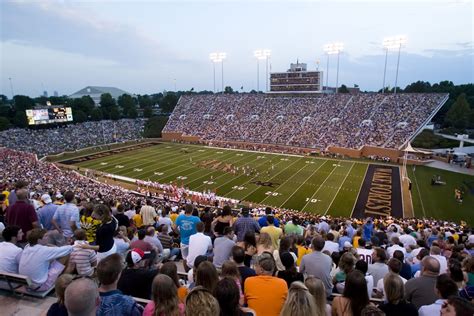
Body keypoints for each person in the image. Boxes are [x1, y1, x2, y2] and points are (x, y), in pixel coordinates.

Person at [244, 252, 288, 316]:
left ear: (261, 269)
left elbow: (245, 302)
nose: (254, 267)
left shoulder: (249, 281)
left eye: (256, 266)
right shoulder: (282, 283)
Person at [174, 204, 201, 270]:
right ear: (192, 210)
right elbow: (201, 228)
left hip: (183, 242)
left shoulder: (180, 217)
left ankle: (186, 272)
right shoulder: (196, 219)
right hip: (193, 243)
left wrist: (179, 233)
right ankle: (192, 272)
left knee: (184, 258)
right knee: (193, 258)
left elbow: (174, 227)